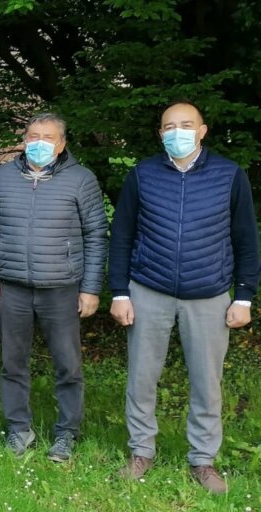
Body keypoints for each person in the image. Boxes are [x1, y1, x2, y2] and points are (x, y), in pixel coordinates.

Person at [108, 101, 258, 494]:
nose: (178, 133)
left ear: (202, 131)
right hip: (148, 289)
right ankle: (141, 452)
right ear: (160, 134)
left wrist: (244, 296)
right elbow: (122, 235)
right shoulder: (142, 174)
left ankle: (203, 460)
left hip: (209, 294)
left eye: (186, 125)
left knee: (207, 383)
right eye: (170, 127)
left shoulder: (229, 175)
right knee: (142, 377)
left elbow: (246, 239)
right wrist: (120, 291)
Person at [0, 113, 108, 462]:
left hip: (61, 288)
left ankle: (66, 433)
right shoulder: (3, 177)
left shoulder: (81, 179)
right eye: (33, 136)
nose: (39, 143)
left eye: (48, 137)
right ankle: (18, 428)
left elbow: (96, 235)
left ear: (61, 144)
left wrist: (91, 288)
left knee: (68, 365)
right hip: (12, 287)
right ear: (24, 140)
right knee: (13, 363)